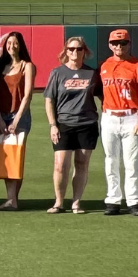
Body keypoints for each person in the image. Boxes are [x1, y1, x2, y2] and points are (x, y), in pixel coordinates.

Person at [43, 37, 100, 214]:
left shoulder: (92, 73)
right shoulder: (57, 73)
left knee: (82, 163)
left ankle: (76, 202)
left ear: (84, 51)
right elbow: (49, 100)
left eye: (79, 49)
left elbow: (104, 96)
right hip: (64, 124)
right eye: (71, 49)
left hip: (86, 123)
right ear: (66, 51)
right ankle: (59, 202)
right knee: (60, 165)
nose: (75, 52)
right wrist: (53, 125)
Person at [98, 29, 138, 216]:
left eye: (123, 43)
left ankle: (133, 201)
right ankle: (113, 200)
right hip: (109, 116)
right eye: (115, 43)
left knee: (132, 162)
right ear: (110, 45)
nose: (119, 47)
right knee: (110, 160)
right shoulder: (104, 66)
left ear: (129, 44)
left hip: (131, 116)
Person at [0, 31, 37, 210]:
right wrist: (0, 119)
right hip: (1, 116)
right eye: (9, 43)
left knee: (16, 156)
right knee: (6, 156)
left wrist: (16, 120)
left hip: (20, 117)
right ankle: (11, 200)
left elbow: (27, 96)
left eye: (15, 43)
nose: (12, 46)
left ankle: (12, 200)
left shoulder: (27, 66)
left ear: (20, 45)